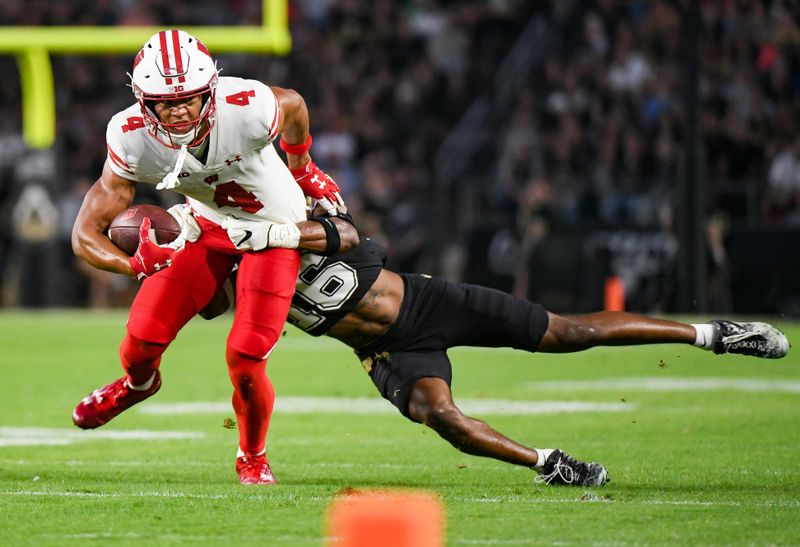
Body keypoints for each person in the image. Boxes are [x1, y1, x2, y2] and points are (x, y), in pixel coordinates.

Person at [200, 210, 790, 487]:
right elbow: (211, 303)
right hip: (384, 351)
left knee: (570, 333)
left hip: (429, 302)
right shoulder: (229, 243)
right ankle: (549, 465)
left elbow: (356, 239)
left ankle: (714, 334)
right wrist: (173, 258)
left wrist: (276, 233)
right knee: (442, 419)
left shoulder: (281, 208)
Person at [70, 29, 346, 485]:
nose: (178, 109)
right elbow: (84, 234)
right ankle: (139, 385)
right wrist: (134, 265)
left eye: (190, 98)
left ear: (211, 91)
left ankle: (252, 455)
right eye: (165, 102)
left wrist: (303, 167)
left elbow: (294, 103)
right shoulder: (130, 135)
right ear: (144, 101)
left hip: (273, 230)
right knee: (139, 341)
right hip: (205, 226)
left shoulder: (247, 106)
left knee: (245, 354)